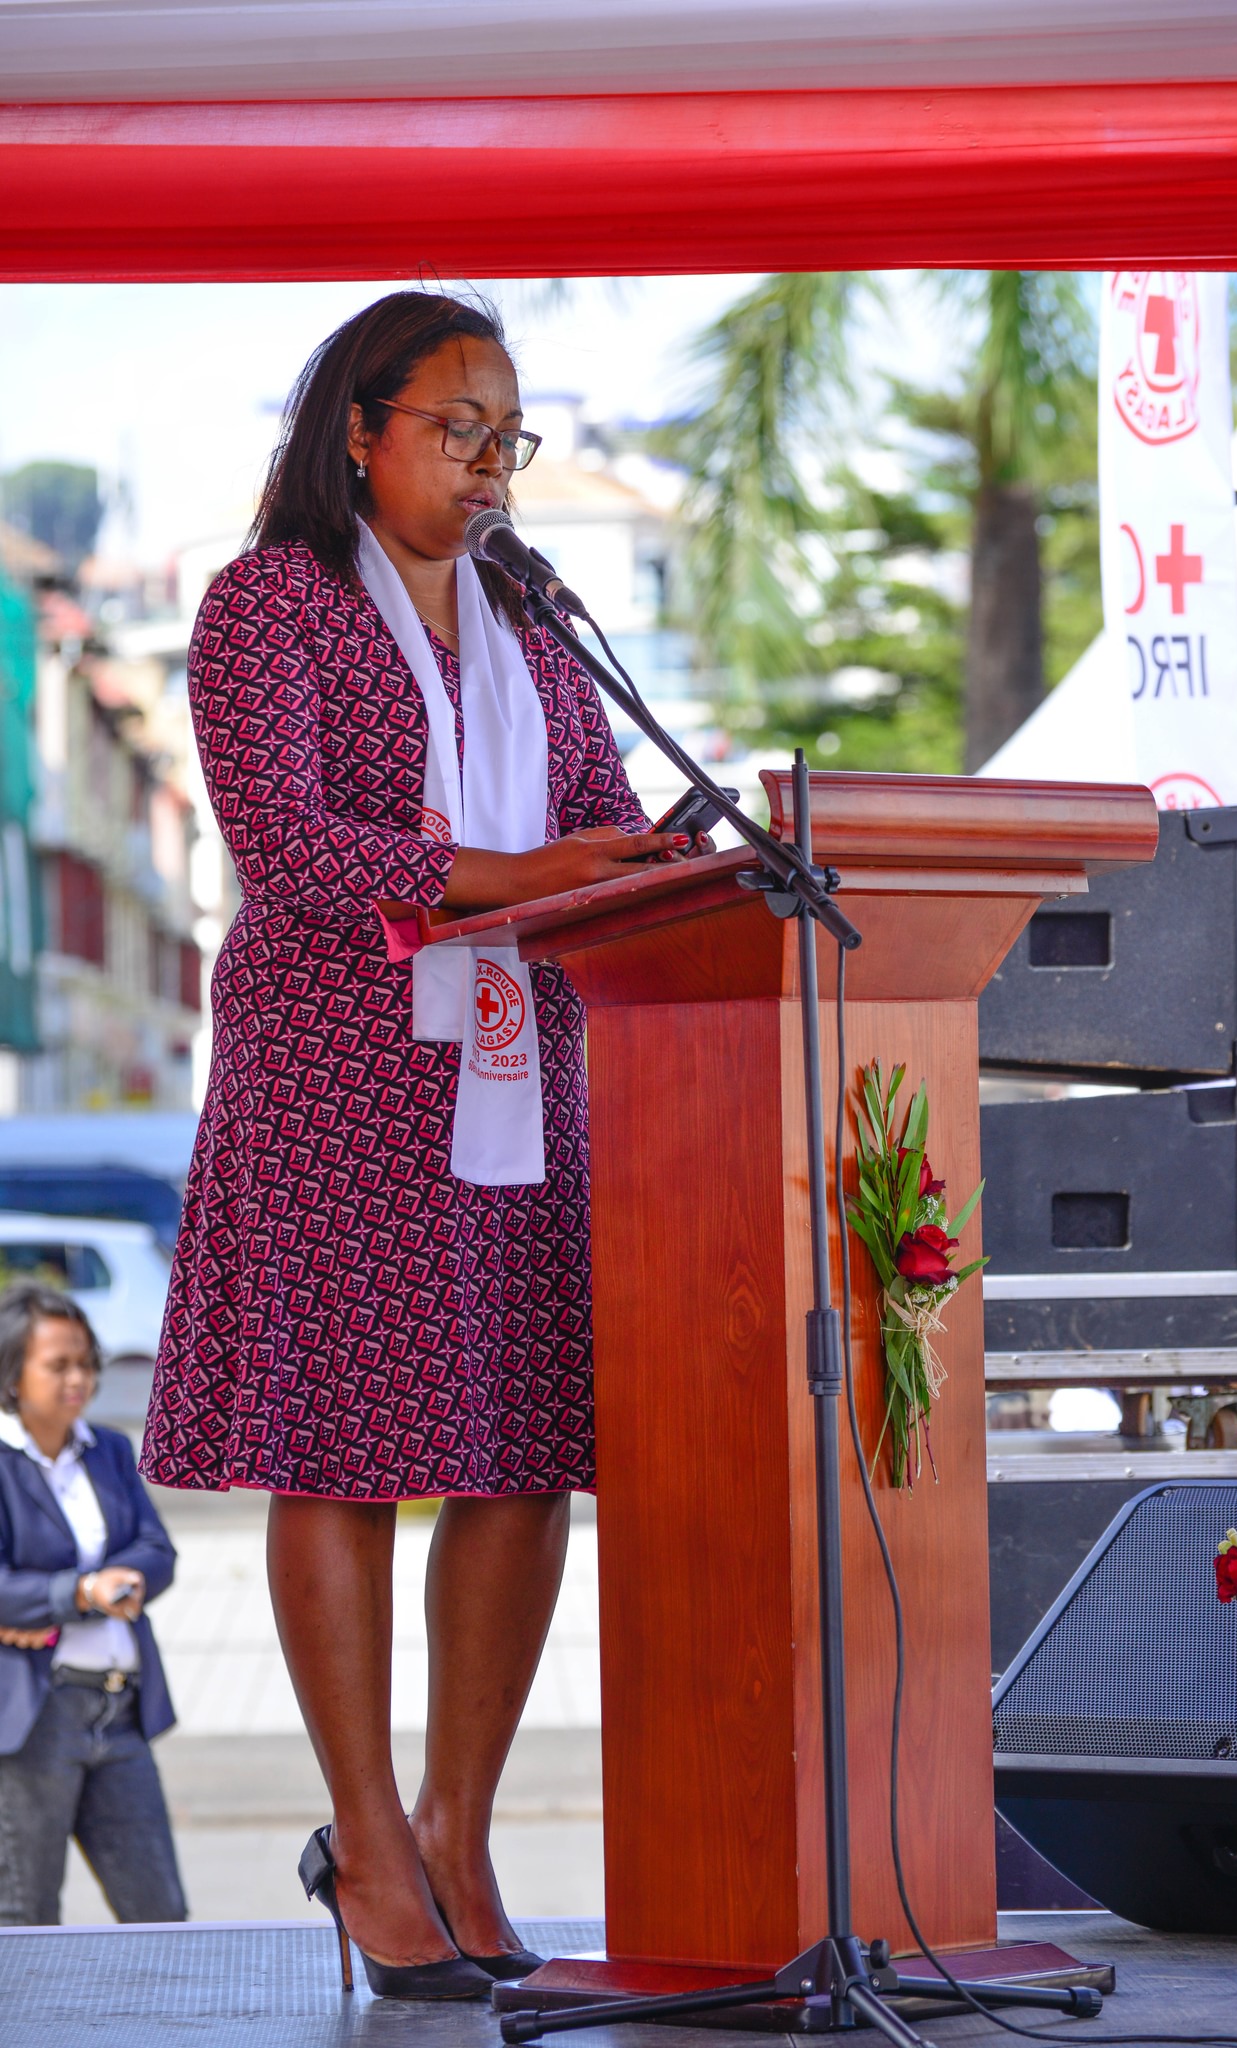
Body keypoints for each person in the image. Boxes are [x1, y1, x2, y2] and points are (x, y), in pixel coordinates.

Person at [138, 290, 692, 2000]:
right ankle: (366, 1836)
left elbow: (604, 810)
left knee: (517, 1448)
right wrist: (529, 880)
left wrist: (672, 856)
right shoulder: (267, 604)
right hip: (335, 1072)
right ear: (359, 428)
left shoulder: (532, 617)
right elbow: (290, 847)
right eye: (460, 427)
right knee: (350, 1448)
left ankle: (458, 1827)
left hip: (524, 1076)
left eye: (506, 435)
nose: (489, 464)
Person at [0, 1282, 184, 1926]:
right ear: (13, 1374)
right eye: (59, 1364)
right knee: (24, 1922)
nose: (78, 1378)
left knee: (161, 1914)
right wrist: (79, 1594)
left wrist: (116, 1581)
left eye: (86, 1362)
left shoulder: (109, 1449)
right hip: (33, 1719)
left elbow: (156, 1548)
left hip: (120, 1708)